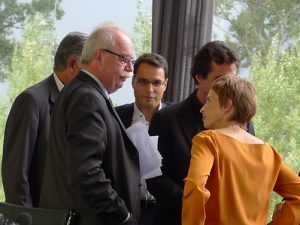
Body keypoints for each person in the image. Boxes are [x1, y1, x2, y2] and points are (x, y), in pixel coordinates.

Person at [39, 23, 141, 225]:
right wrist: (122, 216)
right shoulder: (87, 98)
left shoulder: (81, 92)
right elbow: (87, 172)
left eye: (131, 61)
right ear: (99, 57)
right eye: (124, 60)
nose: (130, 69)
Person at [146, 41, 255, 225]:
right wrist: (200, 205)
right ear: (199, 77)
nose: (229, 86)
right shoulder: (165, 119)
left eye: (233, 79)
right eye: (221, 80)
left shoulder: (244, 123)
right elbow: (154, 178)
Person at [182, 75, 300, 225]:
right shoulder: (269, 153)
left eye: (209, 101)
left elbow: (195, 187)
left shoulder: (208, 140)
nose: (202, 108)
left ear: (227, 106)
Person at [1, 31, 87, 207]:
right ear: (72, 65)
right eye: (90, 68)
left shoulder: (83, 103)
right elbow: (15, 175)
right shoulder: (31, 100)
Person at [115, 53, 169, 225]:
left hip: (164, 213)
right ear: (133, 82)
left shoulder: (177, 120)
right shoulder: (115, 117)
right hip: (124, 211)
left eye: (156, 83)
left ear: (165, 85)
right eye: (143, 81)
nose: (150, 89)